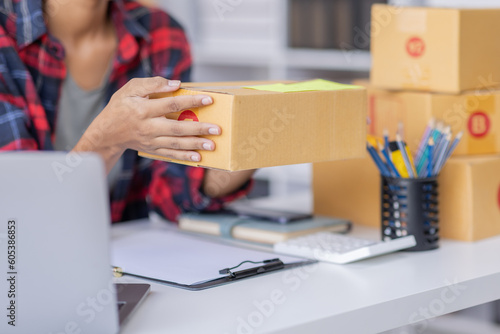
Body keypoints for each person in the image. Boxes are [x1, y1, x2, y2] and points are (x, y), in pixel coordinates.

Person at [0, 0, 254, 222]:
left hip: (124, 261)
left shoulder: (161, 33)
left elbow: (171, 199)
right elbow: (20, 216)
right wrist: (106, 141)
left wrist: (256, 145)